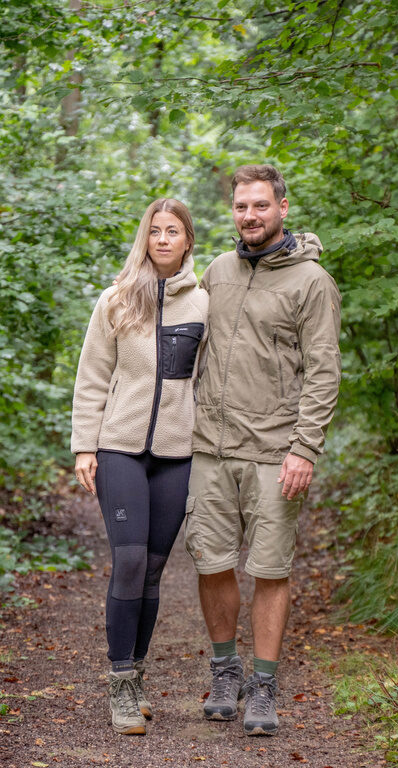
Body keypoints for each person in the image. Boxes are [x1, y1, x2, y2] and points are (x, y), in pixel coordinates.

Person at [184, 165, 342, 736]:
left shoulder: (311, 282)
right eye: (240, 207)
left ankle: (264, 682)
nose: (249, 215)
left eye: (259, 205)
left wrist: (304, 448)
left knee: (270, 568)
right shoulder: (218, 271)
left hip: (276, 450)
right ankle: (226, 670)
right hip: (210, 447)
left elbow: (324, 374)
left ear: (282, 207)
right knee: (213, 561)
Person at [71, 198, 208, 736]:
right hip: (121, 448)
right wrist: (86, 445)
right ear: (145, 239)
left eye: (174, 231)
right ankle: (120, 681)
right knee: (128, 561)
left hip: (177, 453)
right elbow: (91, 376)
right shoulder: (117, 299)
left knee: (152, 569)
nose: (164, 239)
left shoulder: (203, 303)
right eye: (155, 231)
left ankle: (138, 672)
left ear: (188, 239)